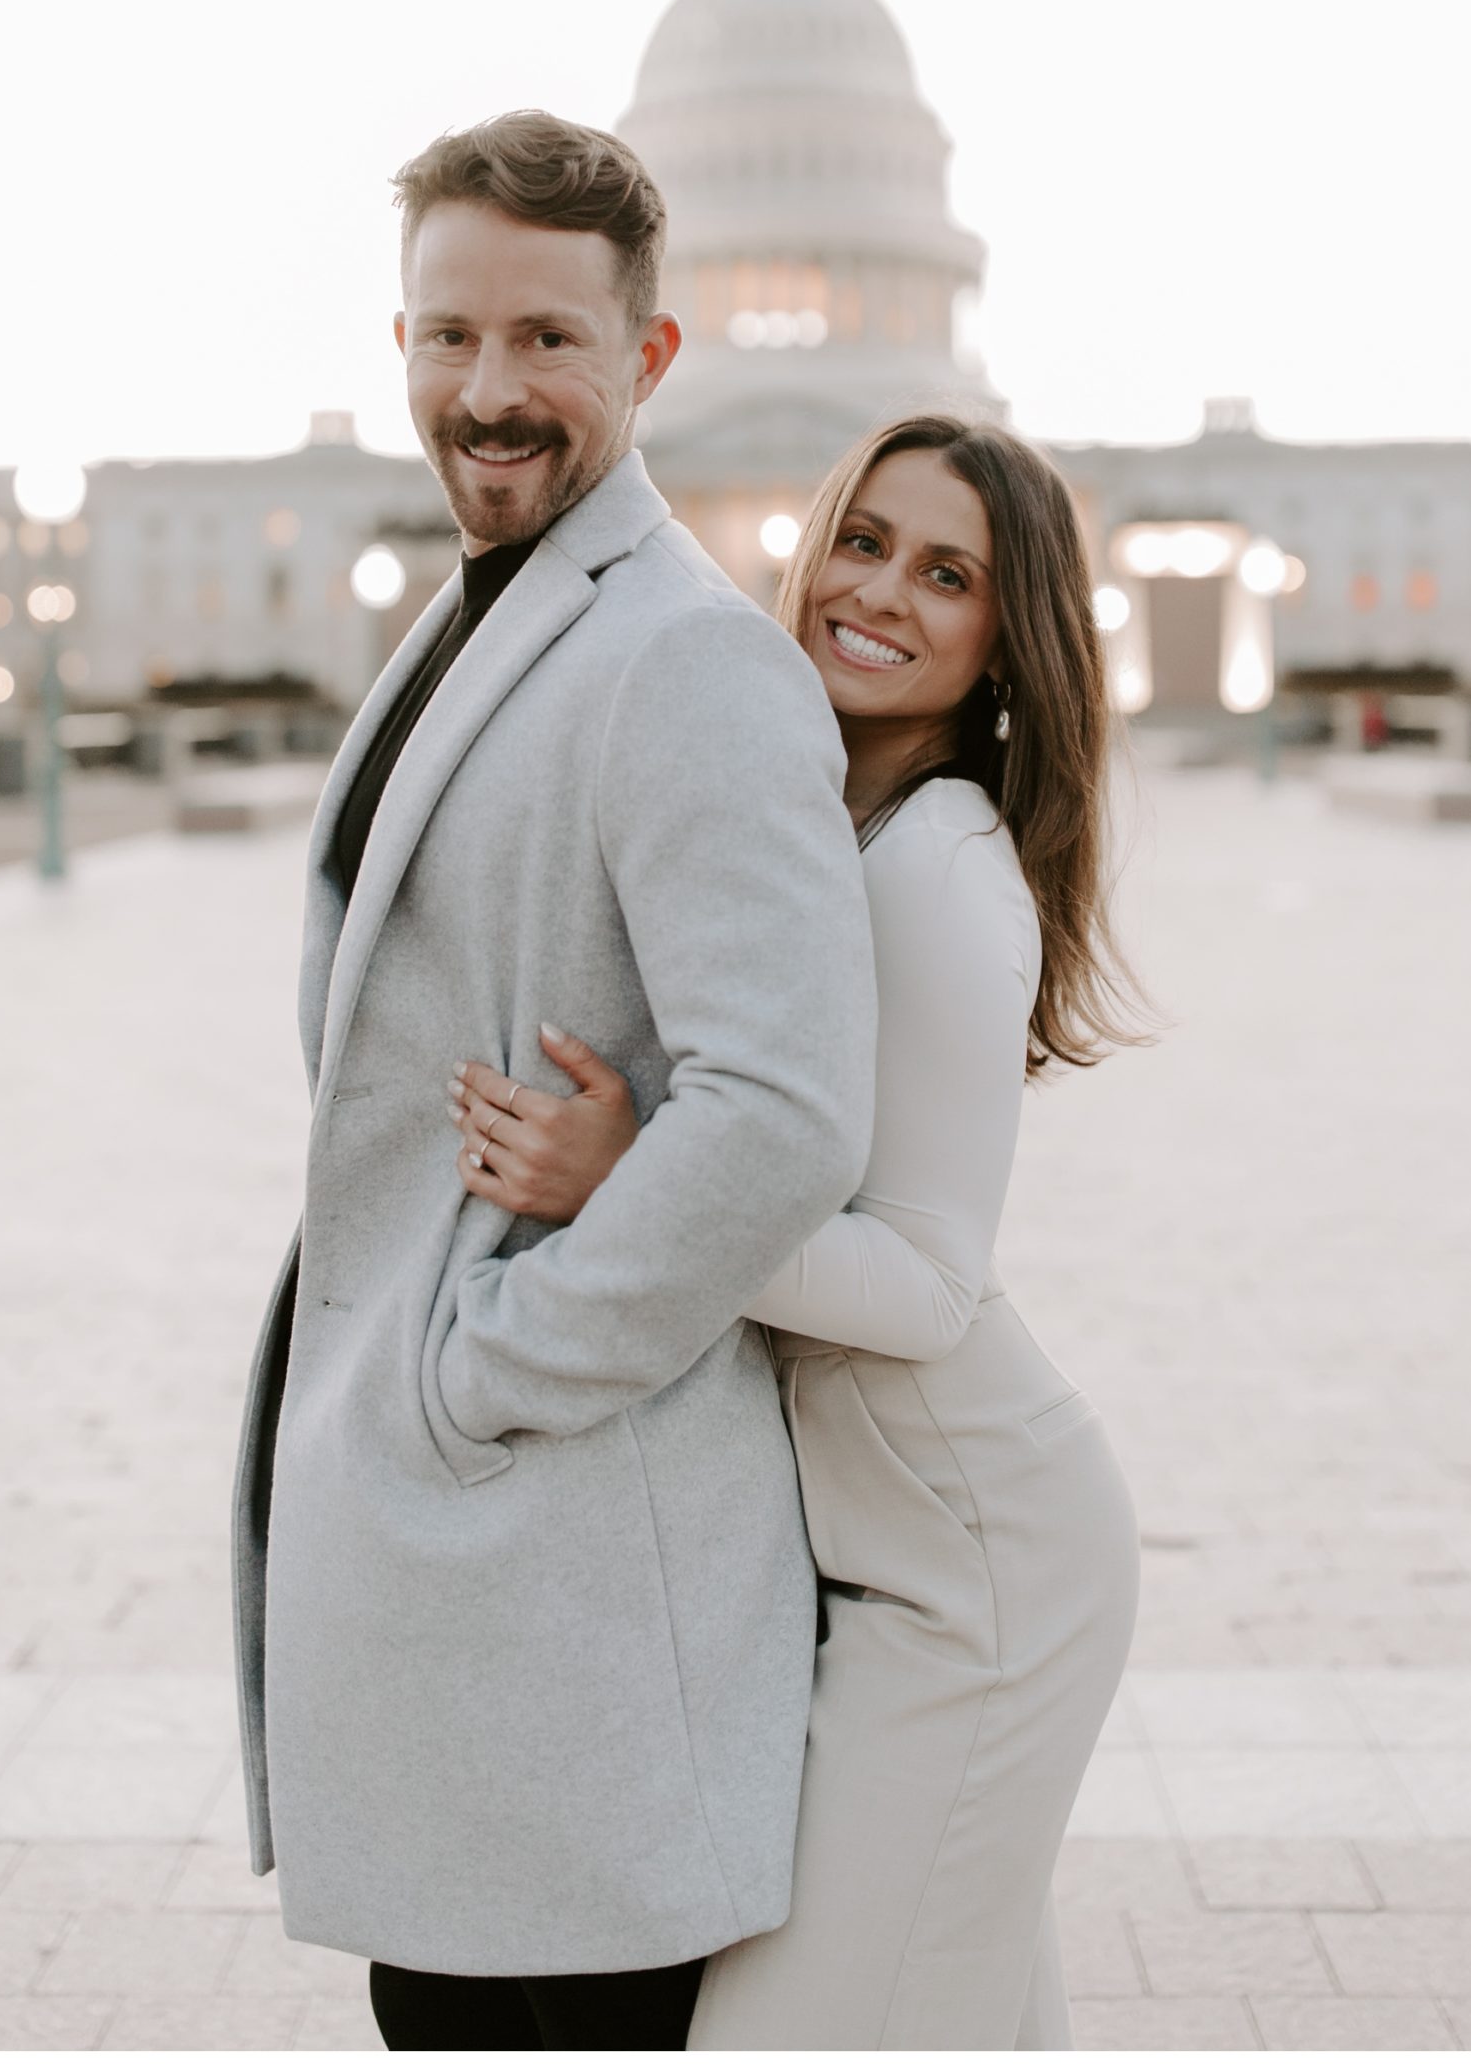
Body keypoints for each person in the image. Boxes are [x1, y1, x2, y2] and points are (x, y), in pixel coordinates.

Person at [229, 110, 879, 2053]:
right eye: (450, 334)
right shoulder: (477, 618)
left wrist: (483, 1368)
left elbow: (783, 1111)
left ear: (649, 355)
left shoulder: (687, 658)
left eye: (546, 339)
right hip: (464, 1590)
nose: (488, 389)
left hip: (561, 1569)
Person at [449, 414, 1146, 2051]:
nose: (881, 593)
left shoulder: (939, 872)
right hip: (885, 1562)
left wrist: (637, 1183)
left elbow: (927, 1285)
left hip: (977, 1575)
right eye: (865, 541)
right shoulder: (828, 827)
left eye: (949, 575)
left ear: (1009, 643)